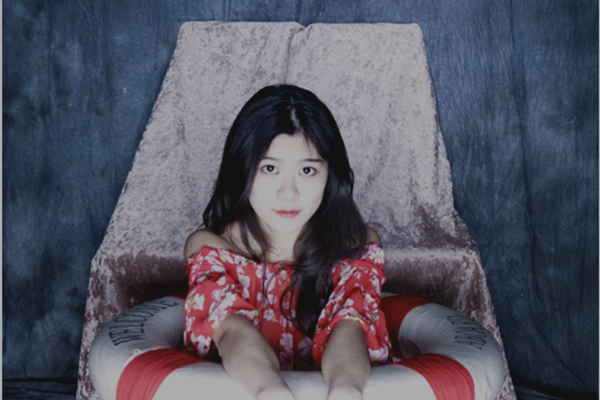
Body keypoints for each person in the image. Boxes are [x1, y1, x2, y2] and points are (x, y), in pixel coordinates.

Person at [183, 84, 391, 400]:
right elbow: (231, 330)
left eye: (307, 170)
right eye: (270, 168)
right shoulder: (212, 248)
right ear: (243, 169)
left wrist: (345, 391)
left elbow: (351, 324)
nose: (288, 193)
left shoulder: (356, 245)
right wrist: (271, 392)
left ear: (330, 175)